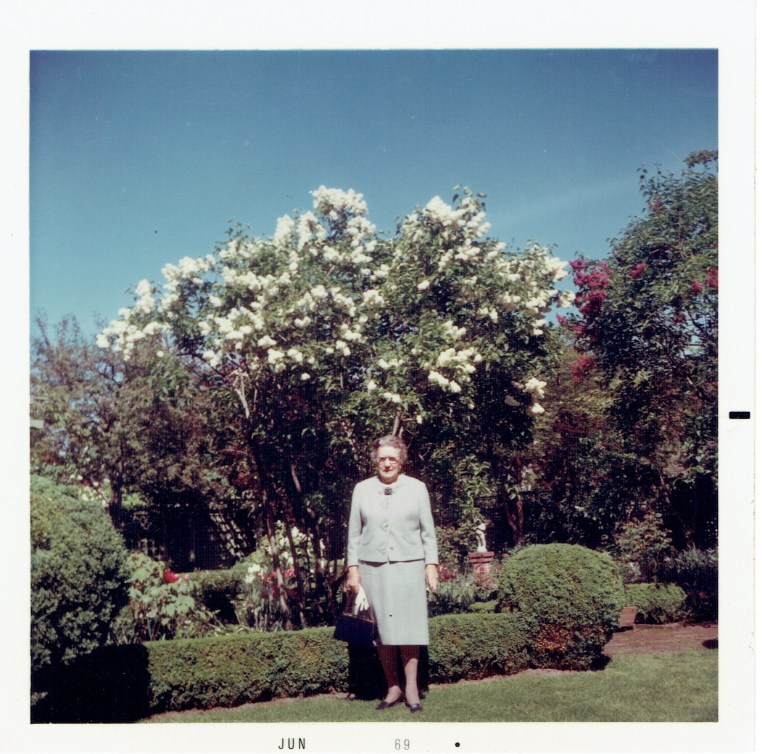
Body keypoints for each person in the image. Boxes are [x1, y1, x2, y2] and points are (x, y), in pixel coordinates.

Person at [346, 435, 439, 713]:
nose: (387, 464)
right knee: (382, 630)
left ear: (401, 461)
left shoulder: (417, 488)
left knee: (409, 628)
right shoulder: (362, 490)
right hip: (373, 567)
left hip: (408, 565)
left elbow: (428, 532)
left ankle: (411, 688)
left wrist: (431, 565)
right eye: (382, 458)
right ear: (376, 461)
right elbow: (354, 534)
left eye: (392, 459)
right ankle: (393, 686)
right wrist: (353, 569)